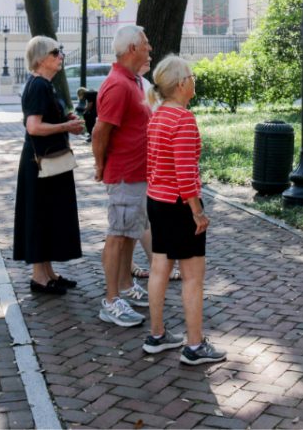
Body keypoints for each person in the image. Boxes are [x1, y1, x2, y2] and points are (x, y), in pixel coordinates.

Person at [142, 54, 225, 365]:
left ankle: (158, 334)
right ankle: (194, 345)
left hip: (157, 200)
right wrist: (197, 212)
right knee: (192, 277)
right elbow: (185, 172)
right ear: (181, 84)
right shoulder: (183, 119)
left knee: (160, 268)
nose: (194, 80)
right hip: (179, 205)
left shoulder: (158, 114)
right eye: (191, 76)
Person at [91, 25, 153, 328]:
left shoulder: (135, 81)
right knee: (117, 235)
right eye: (145, 45)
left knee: (129, 233)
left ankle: (126, 287)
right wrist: (101, 167)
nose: (149, 49)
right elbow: (100, 131)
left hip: (138, 173)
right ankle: (111, 300)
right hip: (126, 174)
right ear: (132, 48)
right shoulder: (118, 84)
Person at [13, 36, 84, 295]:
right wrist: (66, 126)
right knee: (40, 215)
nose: (60, 56)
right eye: (56, 53)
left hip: (47, 162)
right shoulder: (39, 86)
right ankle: (39, 278)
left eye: (60, 51)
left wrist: (64, 118)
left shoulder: (44, 84)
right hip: (42, 163)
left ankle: (48, 273)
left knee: (47, 215)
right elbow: (33, 127)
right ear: (41, 58)